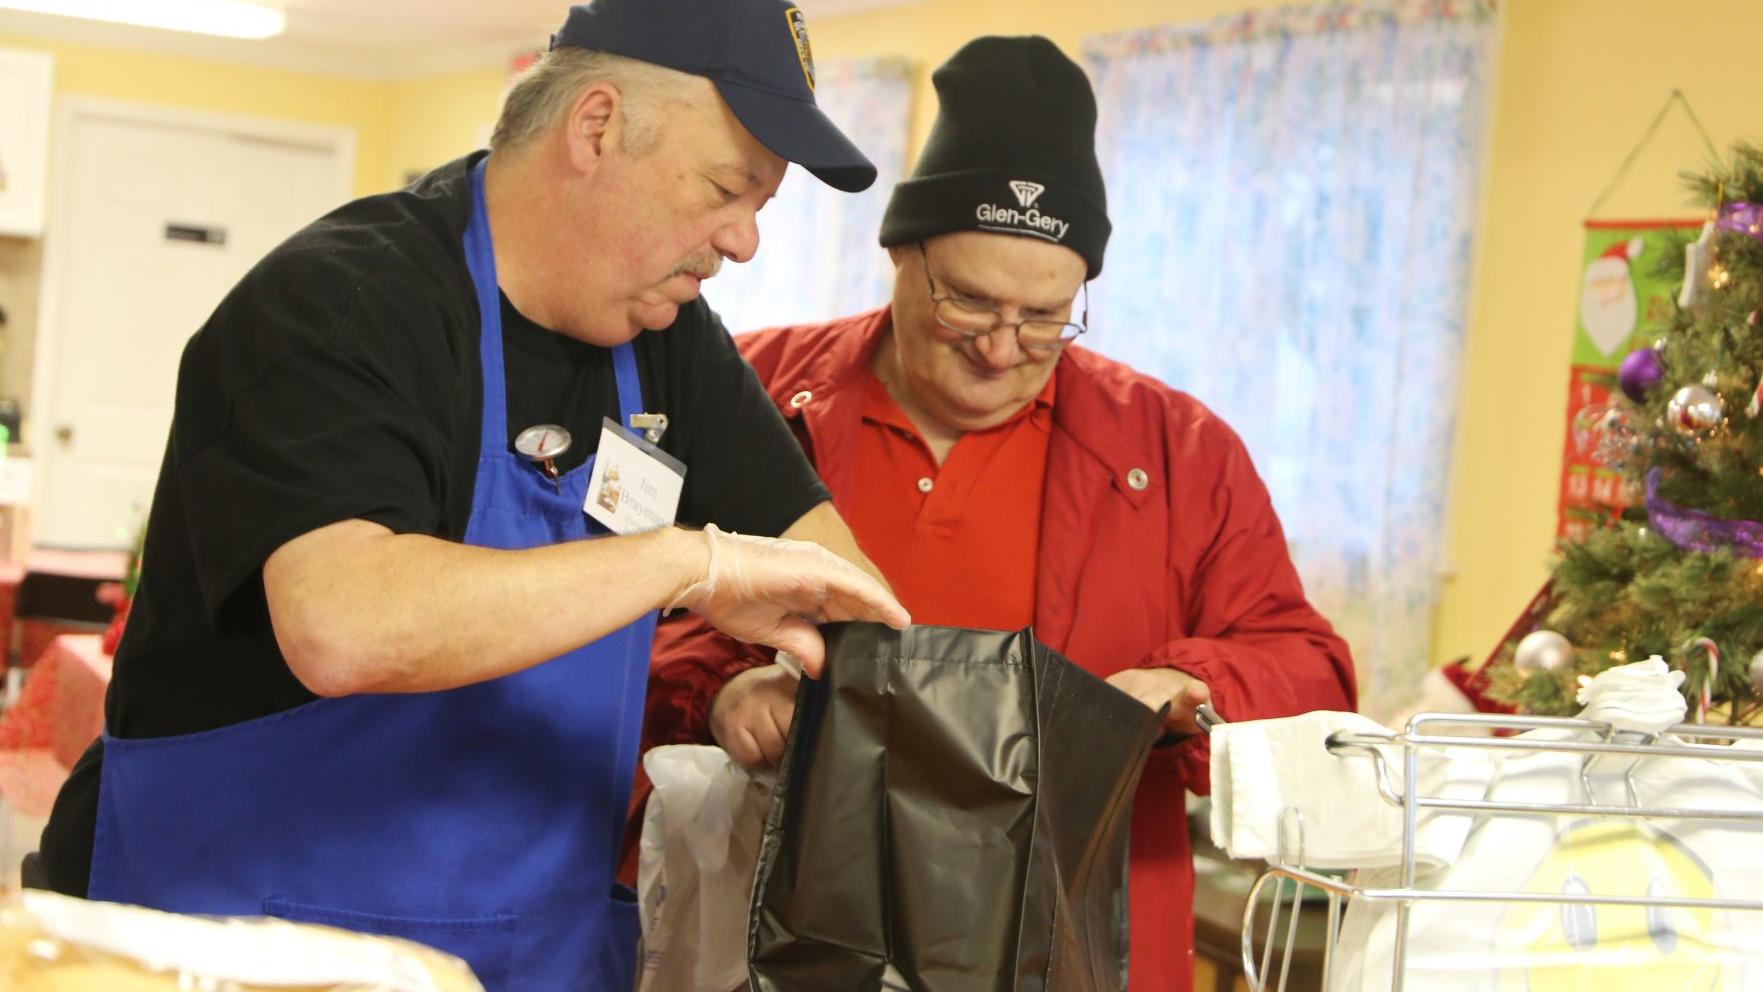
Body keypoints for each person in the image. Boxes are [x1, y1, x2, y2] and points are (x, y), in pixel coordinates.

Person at [35, 1, 910, 989]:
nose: (744, 242)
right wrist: (687, 560)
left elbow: (830, 574)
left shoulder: (670, 341)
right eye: (724, 188)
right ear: (596, 125)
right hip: (247, 935)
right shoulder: (339, 302)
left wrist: (794, 679)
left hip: (528, 951)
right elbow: (344, 623)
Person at [642, 36, 1357, 992]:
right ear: (900, 252)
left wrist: (1179, 684)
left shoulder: (1179, 448)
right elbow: (599, 612)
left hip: (1073, 939)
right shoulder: (742, 391)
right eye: (967, 304)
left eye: (1046, 318)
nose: (1002, 349)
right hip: (771, 936)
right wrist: (718, 690)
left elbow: (1310, 667)